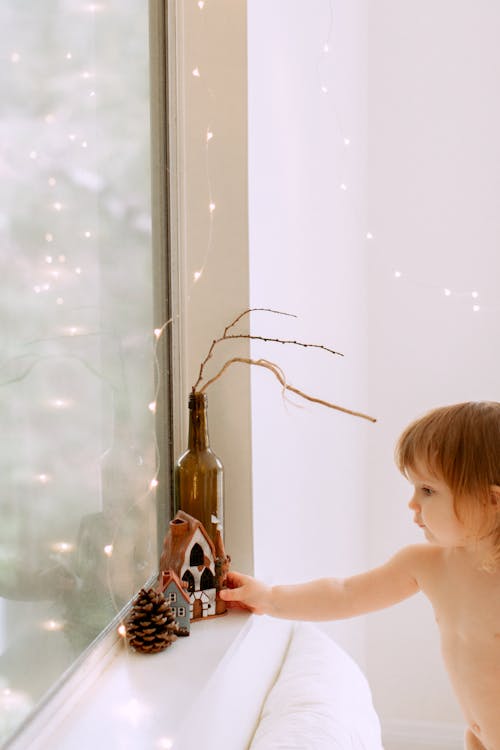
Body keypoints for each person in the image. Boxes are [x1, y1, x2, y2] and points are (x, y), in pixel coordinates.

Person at [219, 401, 500, 750]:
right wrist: (271, 598)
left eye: (427, 490)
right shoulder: (426, 564)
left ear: (491, 501)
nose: (412, 503)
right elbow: (344, 593)